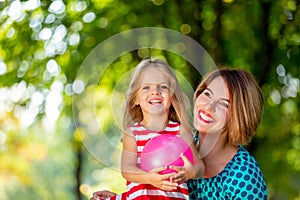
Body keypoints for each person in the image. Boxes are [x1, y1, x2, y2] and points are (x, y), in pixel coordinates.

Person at [91, 67, 268, 199]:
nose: (207, 106)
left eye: (223, 104)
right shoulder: (176, 144)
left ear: (241, 115)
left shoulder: (245, 177)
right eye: (207, 94)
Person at [92, 58, 204, 200]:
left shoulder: (181, 132)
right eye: (146, 87)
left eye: (163, 87)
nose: (155, 92)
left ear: (172, 96)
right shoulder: (133, 133)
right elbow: (127, 170)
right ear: (135, 99)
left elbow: (199, 165)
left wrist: (192, 172)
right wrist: (149, 178)